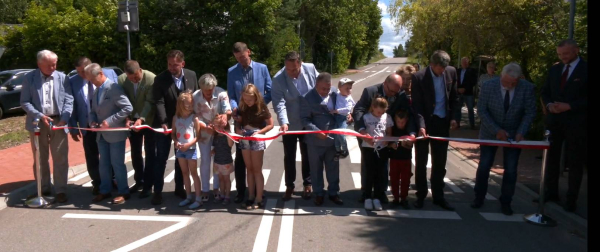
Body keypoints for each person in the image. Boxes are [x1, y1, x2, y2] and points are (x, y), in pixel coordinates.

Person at [471, 63, 536, 215]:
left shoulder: (527, 88)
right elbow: (481, 110)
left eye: (513, 83)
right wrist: (496, 130)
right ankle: (478, 197)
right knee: (484, 165)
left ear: (519, 79)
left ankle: (506, 202)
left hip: (514, 134)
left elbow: (530, 112)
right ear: (501, 76)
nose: (509, 85)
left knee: (511, 169)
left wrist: (521, 131)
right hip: (489, 131)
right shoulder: (488, 86)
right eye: (506, 82)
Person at [20, 50, 73, 203]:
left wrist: (65, 118)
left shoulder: (62, 78)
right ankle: (43, 188)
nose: (53, 68)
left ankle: (61, 190)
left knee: (60, 157)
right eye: (49, 65)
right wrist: (39, 115)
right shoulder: (29, 78)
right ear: (39, 64)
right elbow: (25, 102)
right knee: (40, 158)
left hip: (58, 122)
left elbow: (69, 100)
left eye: (55, 64)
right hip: (38, 123)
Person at [541, 39, 588, 212]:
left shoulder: (586, 69)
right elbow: (545, 91)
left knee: (575, 161)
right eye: (560, 54)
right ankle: (551, 192)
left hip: (577, 123)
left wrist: (570, 106)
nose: (563, 58)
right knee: (551, 158)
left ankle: (571, 199)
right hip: (555, 121)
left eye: (566, 54)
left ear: (576, 50)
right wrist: (549, 105)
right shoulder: (555, 69)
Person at [352, 73, 414, 203]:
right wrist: (362, 131)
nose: (393, 94)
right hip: (368, 135)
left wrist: (408, 134)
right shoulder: (370, 91)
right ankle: (366, 192)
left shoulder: (400, 95)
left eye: (396, 92)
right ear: (385, 84)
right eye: (391, 91)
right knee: (368, 165)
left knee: (383, 165)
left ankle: (381, 192)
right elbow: (358, 110)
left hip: (388, 137)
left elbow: (408, 114)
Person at [411, 50, 459, 210]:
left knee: (440, 163)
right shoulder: (419, 77)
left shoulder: (451, 72)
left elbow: (454, 98)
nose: (443, 71)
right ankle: (421, 195)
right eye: (440, 68)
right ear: (432, 65)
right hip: (425, 123)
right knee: (421, 162)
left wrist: (454, 118)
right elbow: (417, 104)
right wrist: (421, 125)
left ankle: (439, 196)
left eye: (445, 68)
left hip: (442, 123)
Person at [227, 42, 273, 203]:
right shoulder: (232, 72)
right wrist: (235, 108)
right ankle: (242, 191)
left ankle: (259, 192)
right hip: (241, 116)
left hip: (258, 120)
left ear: (249, 52)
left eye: (243, 57)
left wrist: (258, 104)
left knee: (256, 163)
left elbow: (270, 90)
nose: (241, 60)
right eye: (238, 58)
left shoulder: (262, 68)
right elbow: (231, 94)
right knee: (241, 160)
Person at [152, 50, 199, 205]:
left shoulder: (192, 75)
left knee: (182, 159)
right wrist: (164, 121)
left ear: (182, 64)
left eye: (175, 65)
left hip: (185, 125)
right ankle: (157, 192)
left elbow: (195, 98)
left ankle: (181, 189)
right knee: (161, 159)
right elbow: (159, 102)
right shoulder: (160, 79)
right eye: (170, 64)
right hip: (166, 123)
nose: (172, 67)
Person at [272, 51, 318, 201]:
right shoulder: (279, 79)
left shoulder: (311, 69)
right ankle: (289, 186)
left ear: (300, 63)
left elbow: (320, 90)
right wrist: (284, 122)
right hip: (290, 123)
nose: (290, 72)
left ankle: (308, 184)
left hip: (308, 121)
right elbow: (279, 103)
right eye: (288, 69)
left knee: (307, 154)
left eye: (294, 69)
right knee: (289, 155)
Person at [69, 57, 119, 195]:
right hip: (87, 125)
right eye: (78, 72)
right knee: (92, 155)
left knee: (109, 154)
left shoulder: (109, 74)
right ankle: (97, 182)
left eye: (83, 72)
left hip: (107, 123)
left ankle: (112, 179)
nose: (81, 75)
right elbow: (70, 105)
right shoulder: (73, 82)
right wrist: (73, 127)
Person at [87, 63, 133, 204]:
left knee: (117, 163)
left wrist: (110, 121)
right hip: (101, 134)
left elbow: (127, 107)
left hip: (115, 133)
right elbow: (93, 111)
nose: (92, 83)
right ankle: (105, 190)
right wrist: (92, 122)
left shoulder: (113, 88)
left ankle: (123, 191)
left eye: (93, 80)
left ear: (101, 74)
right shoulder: (97, 90)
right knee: (104, 164)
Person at [300, 73, 344, 206]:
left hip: (332, 140)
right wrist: (316, 131)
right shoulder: (307, 97)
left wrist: (347, 116)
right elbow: (304, 119)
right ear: (316, 85)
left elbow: (343, 110)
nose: (326, 91)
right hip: (314, 141)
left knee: (333, 168)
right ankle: (318, 193)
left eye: (328, 88)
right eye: (323, 88)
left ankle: (333, 193)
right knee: (315, 169)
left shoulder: (335, 94)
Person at [118, 60, 157, 197]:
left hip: (148, 120)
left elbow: (150, 101)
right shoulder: (122, 80)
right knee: (135, 152)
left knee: (150, 152)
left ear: (140, 70)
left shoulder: (151, 78)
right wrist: (127, 118)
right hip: (131, 120)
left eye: (136, 76)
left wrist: (141, 118)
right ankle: (139, 180)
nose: (134, 80)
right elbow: (122, 100)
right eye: (131, 78)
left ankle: (148, 185)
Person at [192, 73, 231, 202]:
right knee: (205, 159)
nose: (209, 92)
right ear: (201, 88)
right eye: (206, 90)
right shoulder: (196, 96)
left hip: (220, 132)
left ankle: (216, 188)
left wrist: (224, 116)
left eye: (211, 89)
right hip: (204, 132)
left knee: (218, 160)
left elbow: (227, 110)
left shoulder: (221, 93)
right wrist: (205, 126)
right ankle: (204, 188)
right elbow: (195, 116)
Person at [235, 84, 274, 209]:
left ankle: (259, 197)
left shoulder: (261, 107)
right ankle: (250, 196)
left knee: (257, 169)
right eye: (245, 99)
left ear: (256, 97)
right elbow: (238, 123)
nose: (248, 102)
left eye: (250, 100)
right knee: (249, 169)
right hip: (245, 137)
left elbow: (270, 124)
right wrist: (238, 130)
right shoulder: (242, 107)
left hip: (257, 137)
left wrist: (260, 132)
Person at [359, 97, 393, 211]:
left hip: (382, 149)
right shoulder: (366, 117)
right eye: (378, 112)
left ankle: (377, 197)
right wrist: (367, 137)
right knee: (369, 172)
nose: (380, 114)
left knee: (380, 173)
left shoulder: (386, 117)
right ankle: (368, 197)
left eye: (382, 112)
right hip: (369, 148)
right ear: (373, 107)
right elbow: (362, 131)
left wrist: (386, 140)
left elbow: (389, 132)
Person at [172, 91, 203, 209]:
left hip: (191, 149)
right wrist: (176, 142)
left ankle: (198, 198)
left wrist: (188, 144)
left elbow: (198, 136)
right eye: (187, 106)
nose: (190, 108)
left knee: (194, 173)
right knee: (185, 173)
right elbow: (173, 134)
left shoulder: (194, 118)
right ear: (180, 105)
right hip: (180, 150)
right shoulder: (175, 118)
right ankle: (188, 196)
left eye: (191, 105)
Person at [388, 109, 415, 209]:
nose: (400, 124)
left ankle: (404, 198)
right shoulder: (393, 129)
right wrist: (392, 145)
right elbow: (388, 142)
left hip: (406, 158)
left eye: (403, 122)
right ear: (395, 120)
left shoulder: (408, 130)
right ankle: (395, 198)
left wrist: (407, 144)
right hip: (394, 158)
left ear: (406, 120)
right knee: (394, 178)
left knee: (405, 179)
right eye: (398, 122)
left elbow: (411, 144)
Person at [330, 78, 356, 160]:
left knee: (341, 134)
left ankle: (345, 150)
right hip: (336, 117)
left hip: (342, 118)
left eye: (350, 88)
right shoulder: (337, 94)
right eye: (347, 88)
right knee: (336, 134)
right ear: (340, 88)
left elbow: (349, 108)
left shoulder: (348, 98)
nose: (349, 90)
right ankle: (338, 150)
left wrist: (337, 111)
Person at [211, 116, 234, 205]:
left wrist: (228, 133)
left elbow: (230, 145)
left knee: (226, 179)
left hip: (226, 161)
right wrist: (213, 151)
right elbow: (215, 146)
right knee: (220, 179)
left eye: (218, 125)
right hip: (217, 160)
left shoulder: (226, 135)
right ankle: (222, 194)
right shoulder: (215, 135)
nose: (216, 127)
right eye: (215, 125)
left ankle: (227, 196)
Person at [455, 57, 478, 129]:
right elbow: (455, 80)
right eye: (463, 62)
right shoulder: (457, 71)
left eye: (466, 62)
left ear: (468, 63)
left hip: (468, 93)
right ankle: (457, 124)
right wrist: (458, 88)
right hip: (459, 92)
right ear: (461, 63)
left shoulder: (472, 71)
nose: (464, 63)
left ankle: (472, 125)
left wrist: (465, 88)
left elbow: (473, 81)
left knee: (470, 109)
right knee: (458, 108)